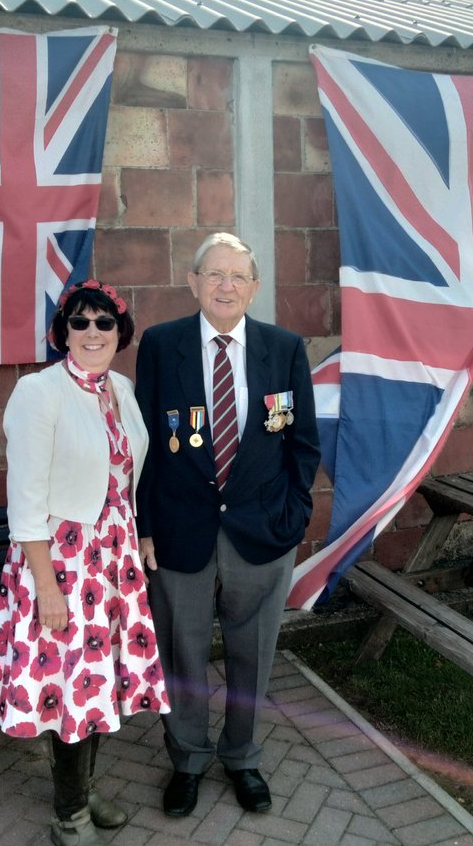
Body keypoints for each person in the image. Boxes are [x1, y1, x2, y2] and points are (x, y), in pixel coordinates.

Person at [134, 232, 320, 817]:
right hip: (179, 529)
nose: (226, 286)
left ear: (254, 288)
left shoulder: (283, 348)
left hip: (261, 532)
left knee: (253, 651)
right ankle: (187, 758)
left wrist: (292, 517)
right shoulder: (162, 346)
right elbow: (141, 445)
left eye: (238, 276)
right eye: (214, 275)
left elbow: (302, 443)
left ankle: (242, 757)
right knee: (182, 651)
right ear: (193, 283)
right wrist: (144, 525)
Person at [0, 280, 169, 846]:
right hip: (62, 563)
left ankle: (83, 789)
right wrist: (46, 585)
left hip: (114, 559)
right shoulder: (38, 393)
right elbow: (26, 501)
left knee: (104, 683)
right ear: (63, 331)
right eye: (80, 322)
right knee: (73, 690)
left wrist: (137, 531)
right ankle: (70, 814)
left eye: (104, 323)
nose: (92, 332)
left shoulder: (121, 386)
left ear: (121, 333)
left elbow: (127, 473)